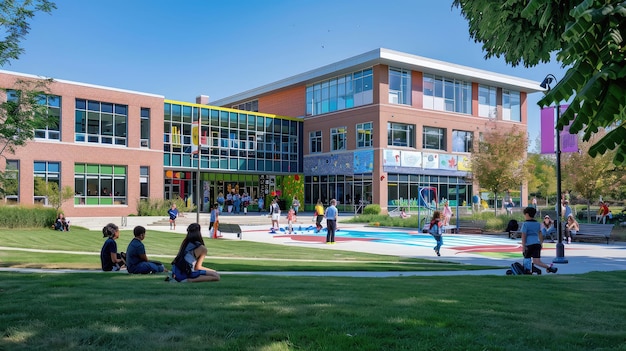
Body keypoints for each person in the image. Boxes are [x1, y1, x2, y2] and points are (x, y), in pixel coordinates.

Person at [520, 206, 558, 273]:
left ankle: (527, 271)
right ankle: (549, 267)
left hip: (529, 244)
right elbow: (540, 234)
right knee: (537, 261)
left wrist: (523, 246)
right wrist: (541, 243)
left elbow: (524, 236)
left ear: (527, 214)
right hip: (537, 243)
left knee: (527, 259)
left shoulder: (525, 224)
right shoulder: (537, 224)